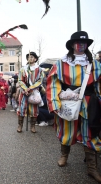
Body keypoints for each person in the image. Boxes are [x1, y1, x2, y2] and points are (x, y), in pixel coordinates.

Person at [46, 31, 101, 182]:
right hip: (69, 102)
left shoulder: (95, 64)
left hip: (90, 103)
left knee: (91, 132)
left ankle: (92, 167)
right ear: (71, 45)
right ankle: (64, 155)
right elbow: (53, 84)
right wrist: (55, 103)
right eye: (78, 42)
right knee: (67, 130)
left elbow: (98, 84)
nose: (82, 45)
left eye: (84, 43)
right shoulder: (61, 64)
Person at [16, 52, 44, 133]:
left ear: (35, 59)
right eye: (28, 57)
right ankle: (20, 125)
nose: (30, 58)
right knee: (22, 109)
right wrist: (25, 89)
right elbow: (20, 80)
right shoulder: (23, 69)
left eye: (32, 57)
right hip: (24, 92)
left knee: (33, 110)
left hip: (34, 92)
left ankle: (33, 126)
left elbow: (40, 80)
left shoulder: (39, 70)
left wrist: (31, 88)